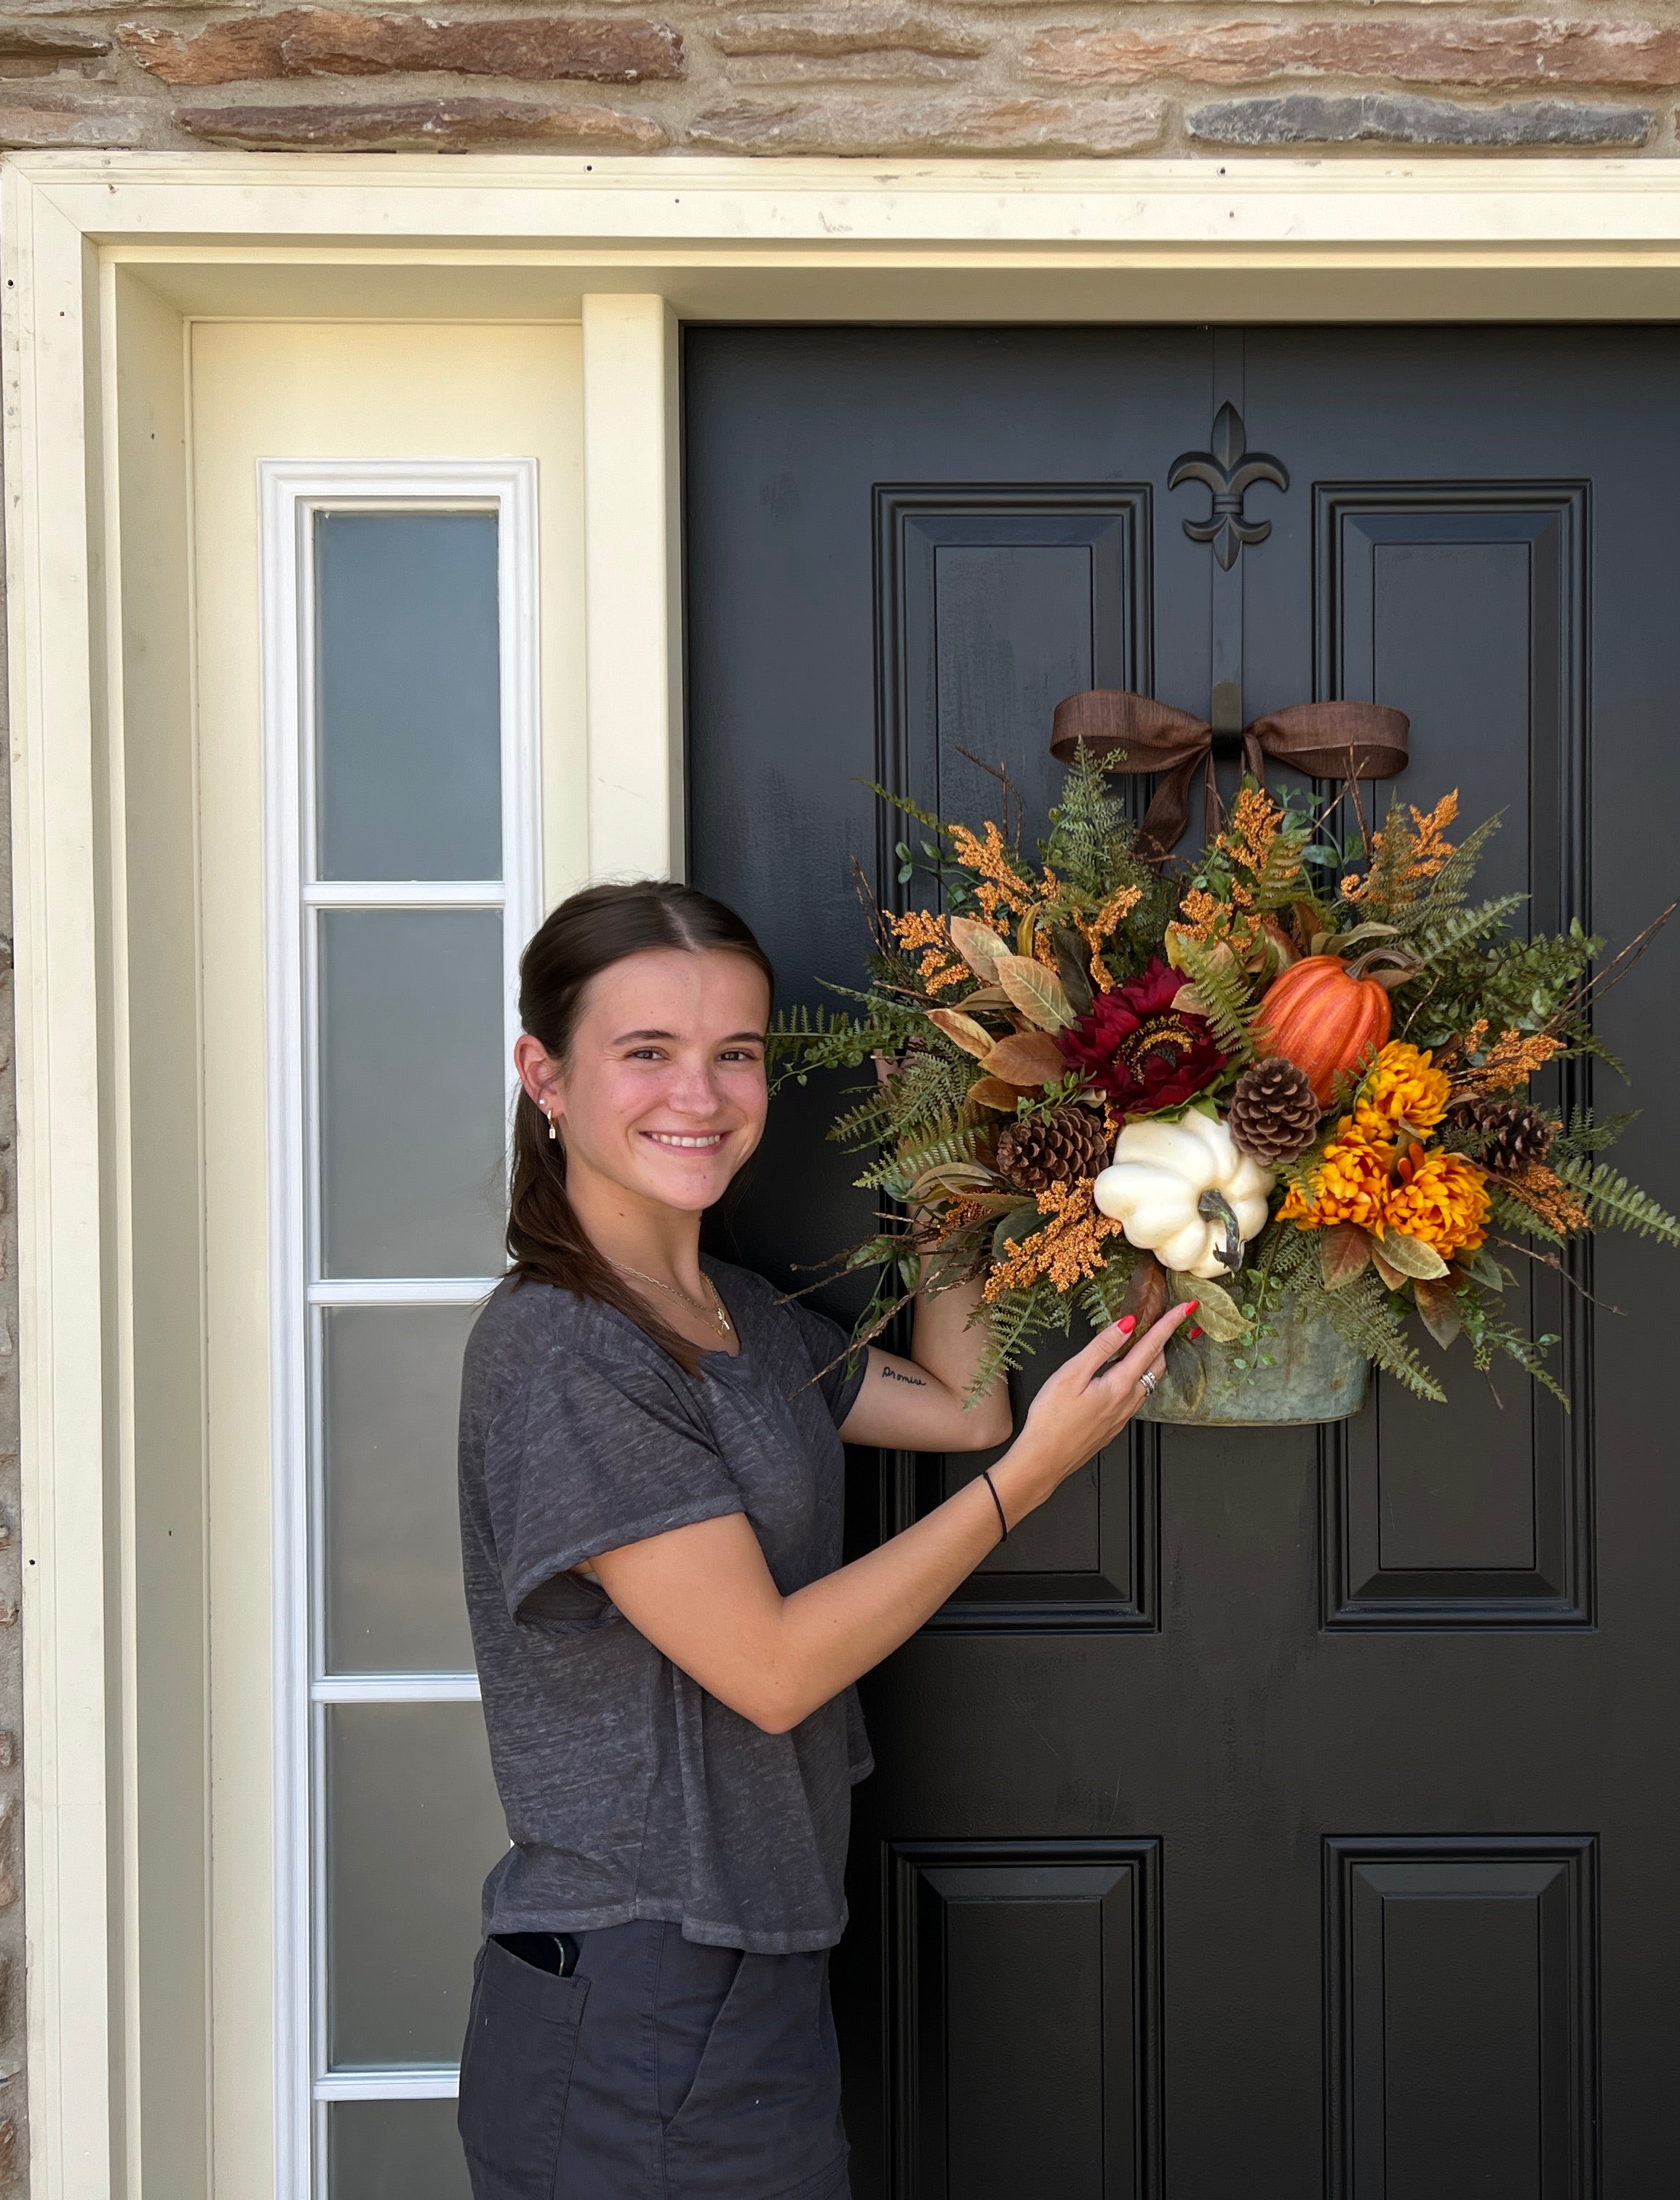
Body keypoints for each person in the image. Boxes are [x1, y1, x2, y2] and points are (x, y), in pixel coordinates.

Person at [455, 880, 1194, 2200]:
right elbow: (773, 1668)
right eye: (647, 1053)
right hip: (641, 1986)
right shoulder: (564, 1349)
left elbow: (964, 1410)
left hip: (745, 1963)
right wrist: (1038, 1479)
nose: (704, 1094)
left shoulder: (728, 1314)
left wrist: (954, 1166)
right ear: (544, 1074)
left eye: (736, 1053)